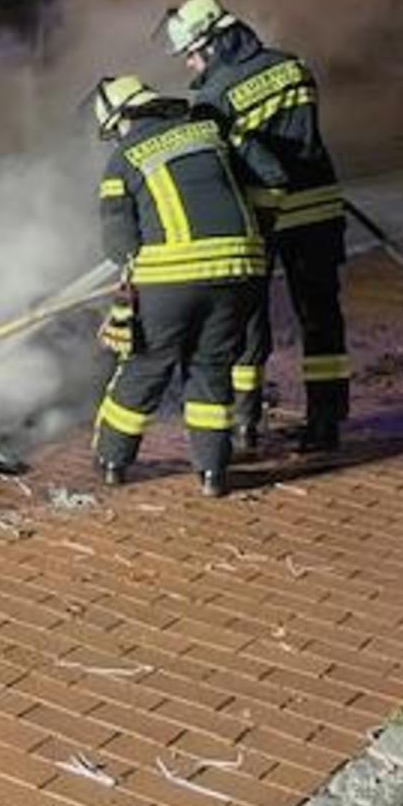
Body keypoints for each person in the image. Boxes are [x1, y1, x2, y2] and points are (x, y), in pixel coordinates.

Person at [158, 0, 347, 452]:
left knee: (246, 319)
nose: (188, 65)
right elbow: (303, 137)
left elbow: (225, 164)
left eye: (190, 53)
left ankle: (245, 423)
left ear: (214, 41)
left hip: (258, 216)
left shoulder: (214, 94)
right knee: (321, 317)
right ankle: (326, 421)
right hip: (318, 207)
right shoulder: (294, 65)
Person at [90, 74, 267, 497]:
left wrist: (134, 262)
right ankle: (212, 473)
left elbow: (120, 245)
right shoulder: (210, 131)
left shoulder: (123, 159)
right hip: (239, 273)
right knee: (210, 368)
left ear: (122, 119)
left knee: (146, 366)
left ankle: (112, 460)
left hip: (171, 281)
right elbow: (269, 175)